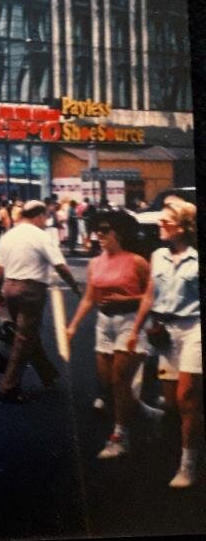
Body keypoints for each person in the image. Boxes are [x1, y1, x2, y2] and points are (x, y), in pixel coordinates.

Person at [65, 210, 162, 459]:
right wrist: (73, 325)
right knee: (110, 384)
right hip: (104, 324)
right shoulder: (95, 263)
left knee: (120, 380)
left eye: (104, 231)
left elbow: (152, 297)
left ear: (118, 233)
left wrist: (127, 299)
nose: (99, 235)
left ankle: (120, 437)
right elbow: (89, 298)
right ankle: (149, 415)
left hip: (131, 322)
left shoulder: (136, 261)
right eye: (97, 230)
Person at [130, 199, 201, 488]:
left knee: (187, 397)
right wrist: (137, 329)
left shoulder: (196, 257)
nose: (160, 226)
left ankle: (189, 465)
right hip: (165, 331)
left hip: (194, 328)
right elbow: (149, 294)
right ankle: (181, 440)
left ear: (183, 228)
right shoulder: (157, 255)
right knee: (172, 402)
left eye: (166, 222)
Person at [0, 200, 82, 403]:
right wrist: (75, 286)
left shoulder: (8, 235)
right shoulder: (40, 236)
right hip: (31, 290)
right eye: (45, 218)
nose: (45, 222)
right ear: (39, 215)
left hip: (10, 288)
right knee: (24, 338)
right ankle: (9, 386)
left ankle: (47, 373)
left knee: (28, 333)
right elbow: (60, 265)